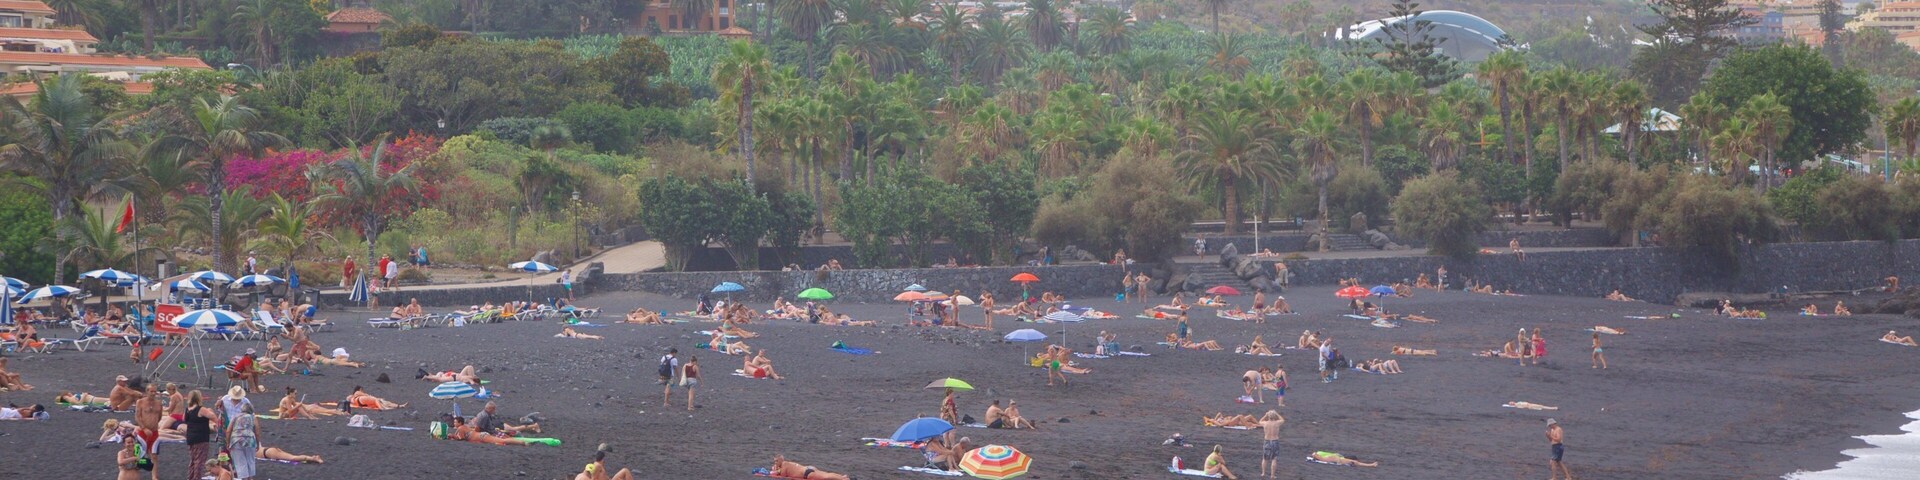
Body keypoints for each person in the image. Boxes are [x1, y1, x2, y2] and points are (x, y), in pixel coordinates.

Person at [182, 390, 219, 480]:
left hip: (190, 437)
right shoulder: (201, 409)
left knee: (193, 460)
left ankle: (190, 477)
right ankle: (196, 478)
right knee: (200, 461)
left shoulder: (187, 410)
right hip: (201, 438)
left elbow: (184, 419)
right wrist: (217, 425)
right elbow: (213, 416)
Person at [226, 402, 258, 480]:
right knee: (250, 460)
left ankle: (244, 478)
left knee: (240, 462)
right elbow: (257, 431)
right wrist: (257, 441)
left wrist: (228, 442)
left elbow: (228, 430)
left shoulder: (235, 416)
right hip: (250, 439)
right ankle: (250, 478)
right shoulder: (253, 417)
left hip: (236, 439)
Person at [473, 401, 540, 436]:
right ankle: (532, 427)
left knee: (514, 429)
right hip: (497, 424)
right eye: (494, 409)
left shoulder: (483, 414)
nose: (494, 411)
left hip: (498, 425)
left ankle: (534, 426)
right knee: (514, 429)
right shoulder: (485, 415)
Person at [768, 454, 849, 480]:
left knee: (825, 477)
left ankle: (842, 479)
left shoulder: (784, 465)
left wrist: (775, 471)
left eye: (776, 461)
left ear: (781, 460)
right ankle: (842, 477)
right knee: (826, 474)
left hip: (806, 473)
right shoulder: (788, 463)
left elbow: (783, 475)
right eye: (774, 461)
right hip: (808, 469)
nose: (775, 463)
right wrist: (777, 468)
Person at [276, 387, 343, 418]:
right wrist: (299, 405)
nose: (296, 395)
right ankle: (309, 417)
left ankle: (310, 416)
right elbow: (290, 410)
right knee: (299, 406)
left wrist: (300, 406)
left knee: (300, 406)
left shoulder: (291, 399)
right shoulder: (287, 399)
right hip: (283, 415)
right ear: (291, 393)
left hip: (288, 414)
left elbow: (295, 405)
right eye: (295, 393)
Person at [1258, 411, 1286, 479]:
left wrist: (1265, 415)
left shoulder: (1265, 423)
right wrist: (1277, 413)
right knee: (1274, 459)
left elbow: (1260, 421)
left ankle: (1263, 473)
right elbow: (1283, 420)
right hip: (1274, 441)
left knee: (1265, 458)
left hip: (1267, 441)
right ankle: (1272, 475)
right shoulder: (1277, 423)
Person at [256, 445, 326, 462]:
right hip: (269, 450)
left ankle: (313, 458)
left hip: (268, 453)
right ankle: (312, 458)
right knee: (292, 456)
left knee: (293, 458)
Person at [1310, 451, 1378, 467]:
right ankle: (1371, 465)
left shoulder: (1320, 453)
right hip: (1335, 458)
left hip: (1335, 457)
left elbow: (1314, 454)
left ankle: (1371, 465)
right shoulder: (1339, 457)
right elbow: (1314, 454)